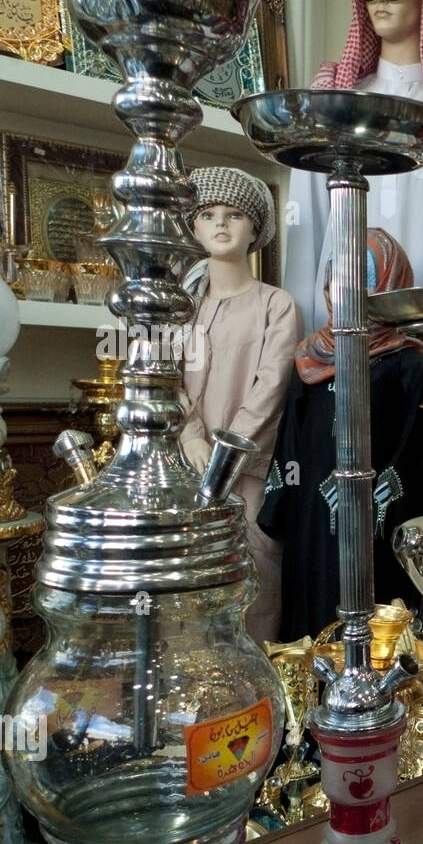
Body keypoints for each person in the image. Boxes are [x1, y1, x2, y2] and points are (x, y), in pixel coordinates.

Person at [284, 0, 423, 340]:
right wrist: (301, 338)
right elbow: (306, 225)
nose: (379, 0)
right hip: (333, 320)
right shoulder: (332, 102)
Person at [258, 228, 423, 641]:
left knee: (372, 623)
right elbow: (291, 438)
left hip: (370, 524)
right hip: (310, 519)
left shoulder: (408, 363)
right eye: (337, 277)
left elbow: (416, 449)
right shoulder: (310, 357)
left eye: (361, 277)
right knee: (311, 621)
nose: (345, 289)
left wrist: (378, 507)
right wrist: (282, 503)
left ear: (388, 283)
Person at [179, 166, 303, 644]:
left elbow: (271, 387)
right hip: (186, 466)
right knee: (191, 574)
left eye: (234, 215)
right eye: (208, 214)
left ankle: (259, 685)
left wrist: (227, 453)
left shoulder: (277, 305)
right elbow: (170, 381)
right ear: (194, 226)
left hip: (250, 469)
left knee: (254, 573)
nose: (221, 225)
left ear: (256, 229)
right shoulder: (184, 308)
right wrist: (191, 436)